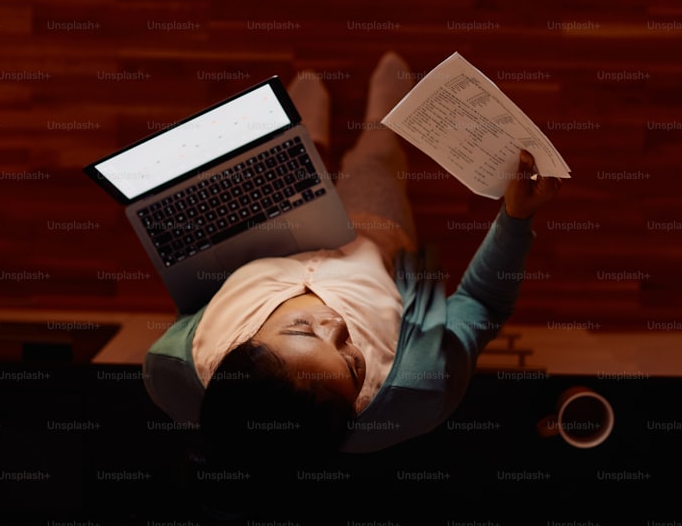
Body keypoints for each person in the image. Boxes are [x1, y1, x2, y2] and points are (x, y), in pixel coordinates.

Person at [143, 52, 561, 461]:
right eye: (352, 363)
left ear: (236, 349)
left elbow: (193, 295)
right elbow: (482, 304)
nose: (336, 323)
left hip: (266, 241)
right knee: (375, 163)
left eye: (303, 329)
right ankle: (380, 123)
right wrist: (516, 217)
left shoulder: (169, 369)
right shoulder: (422, 391)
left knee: (293, 158)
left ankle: (310, 138)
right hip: (374, 238)